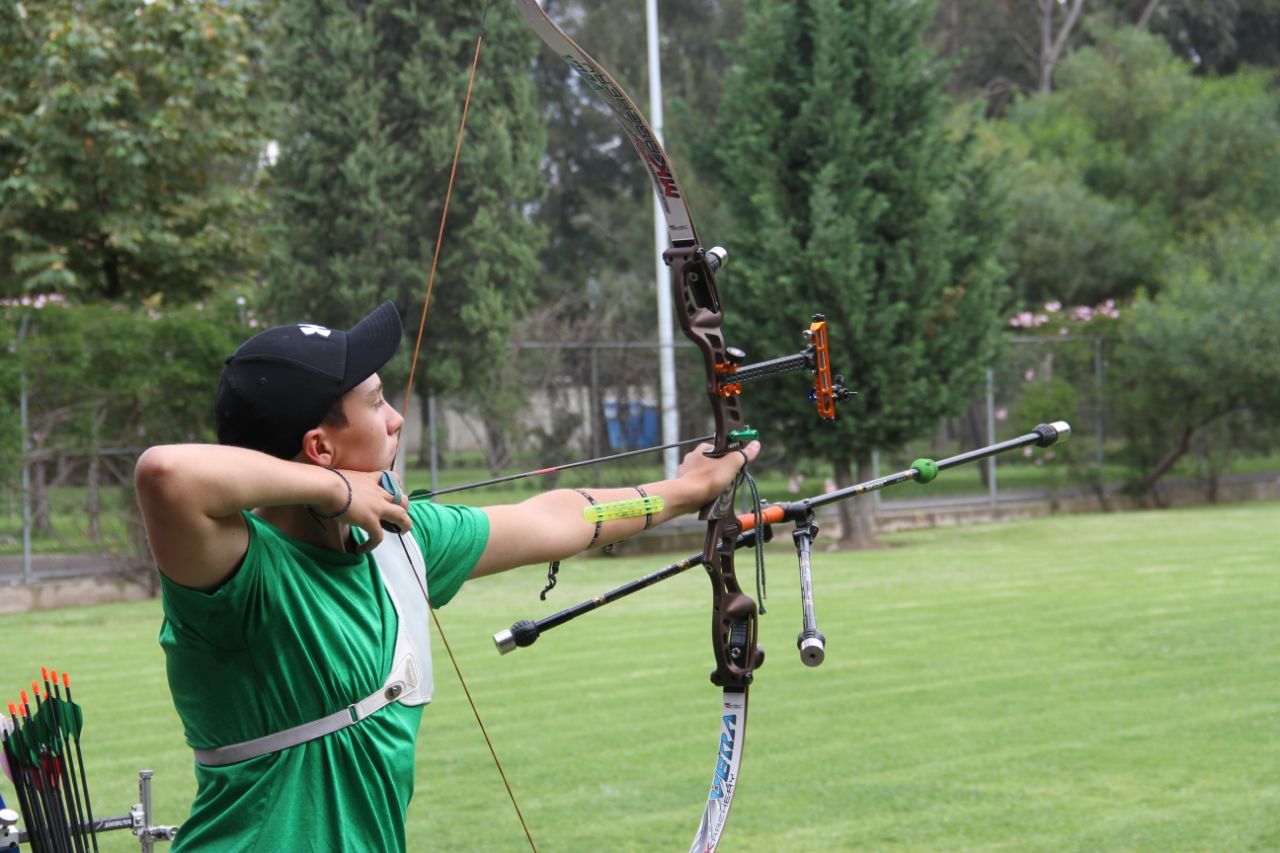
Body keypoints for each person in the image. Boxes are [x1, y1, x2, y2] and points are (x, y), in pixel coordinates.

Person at [134, 301, 758, 851]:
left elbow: (559, 518)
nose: (397, 418)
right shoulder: (242, 572)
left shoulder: (402, 541)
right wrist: (332, 490)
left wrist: (679, 492)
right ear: (320, 449)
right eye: (376, 403)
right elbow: (165, 474)